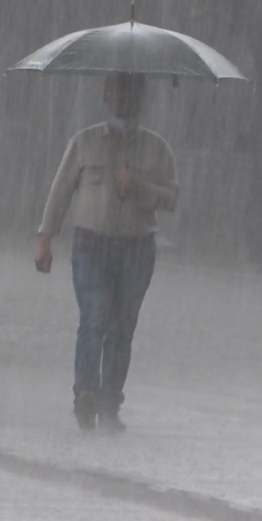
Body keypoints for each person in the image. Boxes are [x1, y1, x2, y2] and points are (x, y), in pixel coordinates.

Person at [34, 72, 179, 432]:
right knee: (94, 319)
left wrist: (138, 187)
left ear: (141, 97)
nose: (122, 98)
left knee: (122, 329)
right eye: (116, 89)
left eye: (130, 90)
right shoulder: (84, 143)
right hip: (91, 245)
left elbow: (171, 196)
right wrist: (45, 238)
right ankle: (85, 393)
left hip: (136, 248)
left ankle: (110, 402)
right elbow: (61, 191)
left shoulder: (156, 148)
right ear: (104, 94)